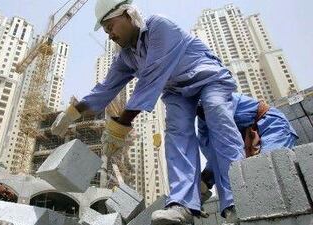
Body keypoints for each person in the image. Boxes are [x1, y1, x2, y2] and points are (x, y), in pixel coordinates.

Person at [51, 0, 245, 224]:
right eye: (105, 31)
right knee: (177, 132)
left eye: (110, 26)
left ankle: (237, 199)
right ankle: (182, 206)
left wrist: (120, 127)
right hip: (177, 91)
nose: (110, 35)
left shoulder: (160, 27)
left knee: (217, 113)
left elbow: (151, 77)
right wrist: (71, 113)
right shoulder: (126, 56)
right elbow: (105, 88)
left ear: (127, 15)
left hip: (207, 78)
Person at [197, 93, 298, 203]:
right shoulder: (203, 126)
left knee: (268, 167)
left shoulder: (216, 97)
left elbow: (227, 149)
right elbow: (215, 155)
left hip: (271, 125)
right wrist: (204, 181)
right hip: (246, 135)